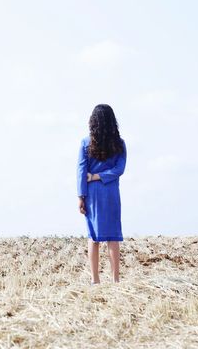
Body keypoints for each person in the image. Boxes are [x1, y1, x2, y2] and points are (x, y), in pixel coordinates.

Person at [77, 104, 127, 284]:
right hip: (111, 191)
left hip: (93, 194)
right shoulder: (119, 144)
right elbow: (119, 169)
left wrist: (80, 195)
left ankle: (95, 280)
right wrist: (103, 176)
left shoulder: (85, 142)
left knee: (93, 237)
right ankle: (115, 280)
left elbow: (81, 171)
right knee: (113, 236)